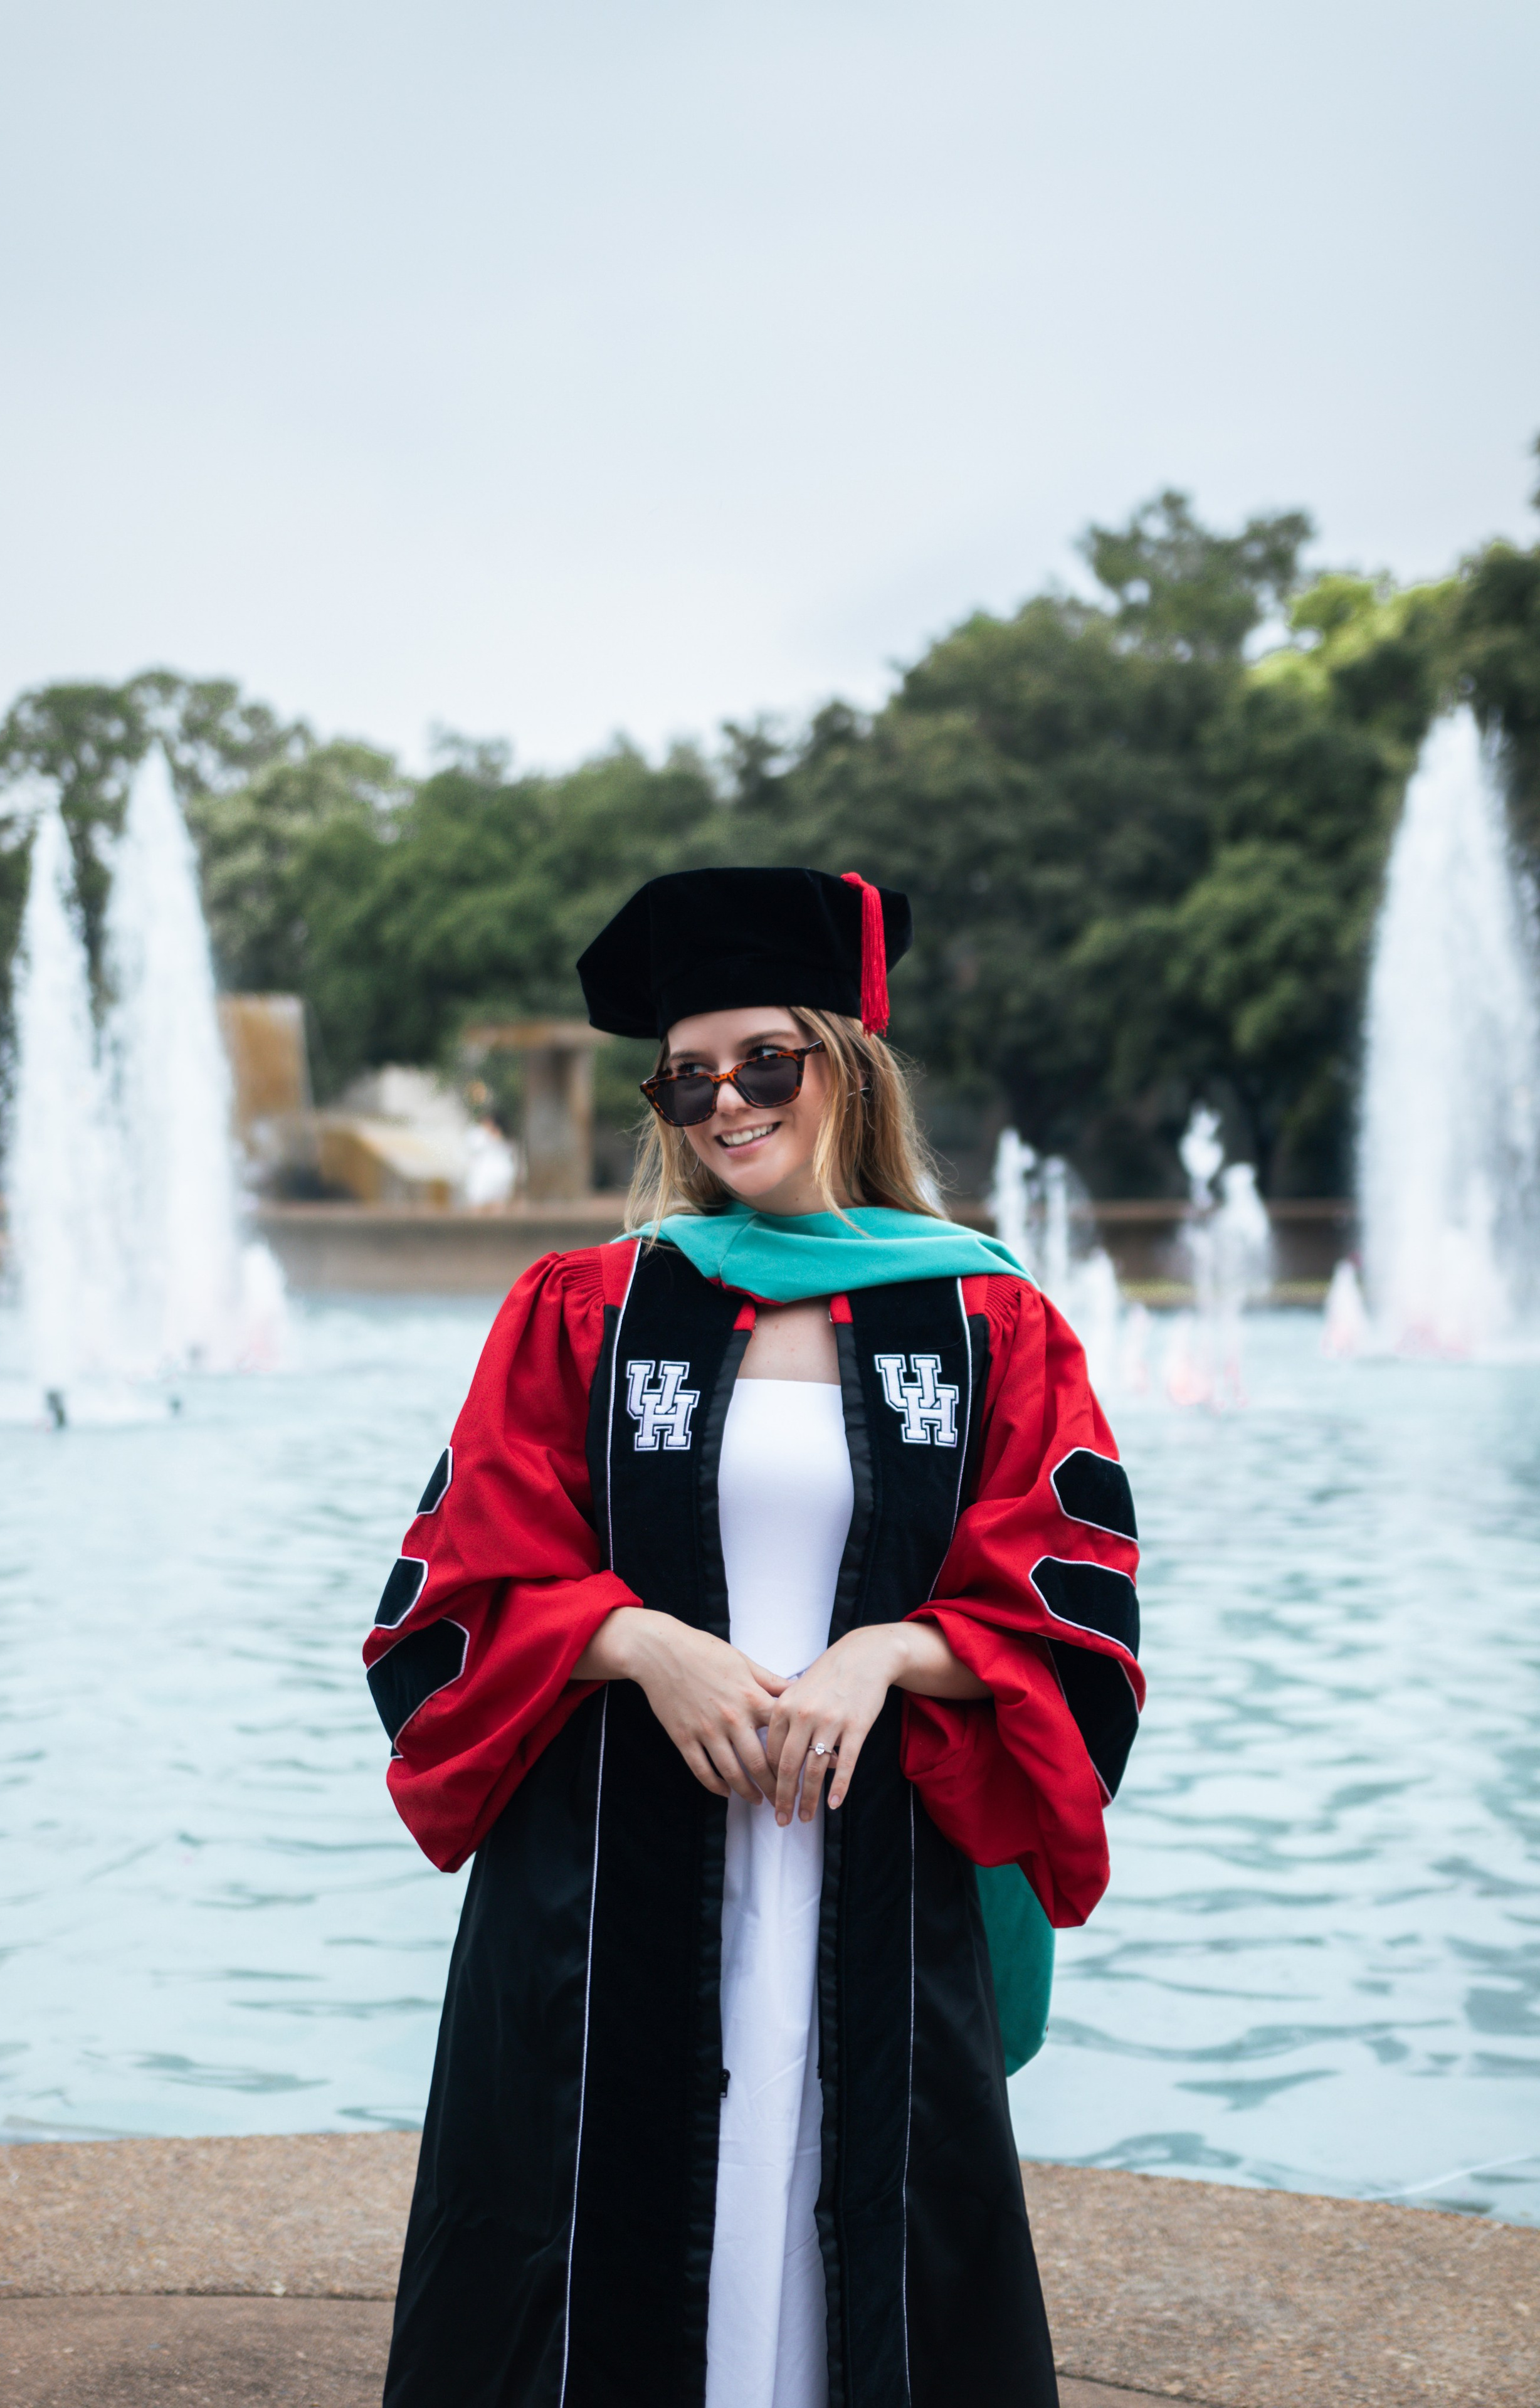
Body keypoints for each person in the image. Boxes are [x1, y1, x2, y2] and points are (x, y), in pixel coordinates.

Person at [364, 867, 1143, 2408]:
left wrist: (888, 1656)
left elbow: (1076, 1611)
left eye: (764, 1064)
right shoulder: (585, 1308)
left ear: (844, 1065)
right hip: (615, 1878)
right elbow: (441, 1601)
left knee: (836, 2238)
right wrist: (637, 1641)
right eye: (689, 1076)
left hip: (871, 1867)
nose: (727, 1104)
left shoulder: (987, 1322)